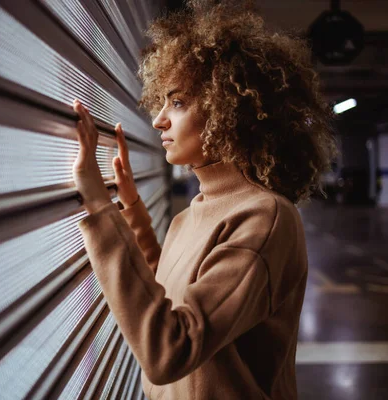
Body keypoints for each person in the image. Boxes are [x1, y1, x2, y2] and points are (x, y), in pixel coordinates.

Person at [71, 0, 338, 399]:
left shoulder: (263, 218)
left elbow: (170, 350)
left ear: (228, 110)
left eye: (177, 103)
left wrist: (98, 207)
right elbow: (170, 291)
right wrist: (131, 210)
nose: (159, 119)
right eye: (162, 102)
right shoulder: (192, 214)